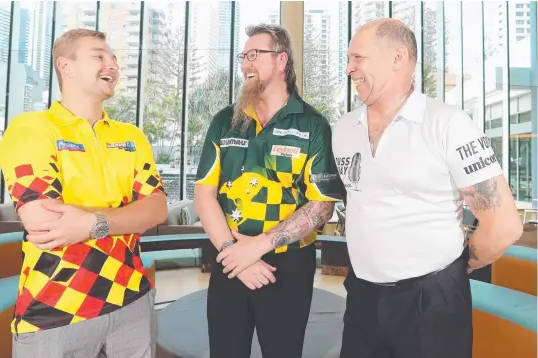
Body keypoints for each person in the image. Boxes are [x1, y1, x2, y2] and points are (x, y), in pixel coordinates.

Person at [332, 18, 523, 358]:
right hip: (362, 297)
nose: (349, 68)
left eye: (358, 58)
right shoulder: (344, 129)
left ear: (398, 57)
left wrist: (453, 270)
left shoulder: (448, 124)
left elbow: (504, 225)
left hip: (432, 303)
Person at [0, 28, 168, 358]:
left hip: (133, 300)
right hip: (56, 310)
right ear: (66, 66)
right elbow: (45, 223)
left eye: (114, 59)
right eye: (99, 56)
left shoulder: (131, 136)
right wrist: (126, 216)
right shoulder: (31, 128)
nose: (112, 65)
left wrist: (91, 223)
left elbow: (157, 209)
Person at [194, 23, 344, 358]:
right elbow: (204, 195)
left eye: (254, 55)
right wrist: (235, 252)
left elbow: (322, 207)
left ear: (281, 61)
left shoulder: (312, 124)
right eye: (243, 56)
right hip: (228, 256)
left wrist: (258, 247)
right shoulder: (225, 121)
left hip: (288, 265)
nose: (245, 63)